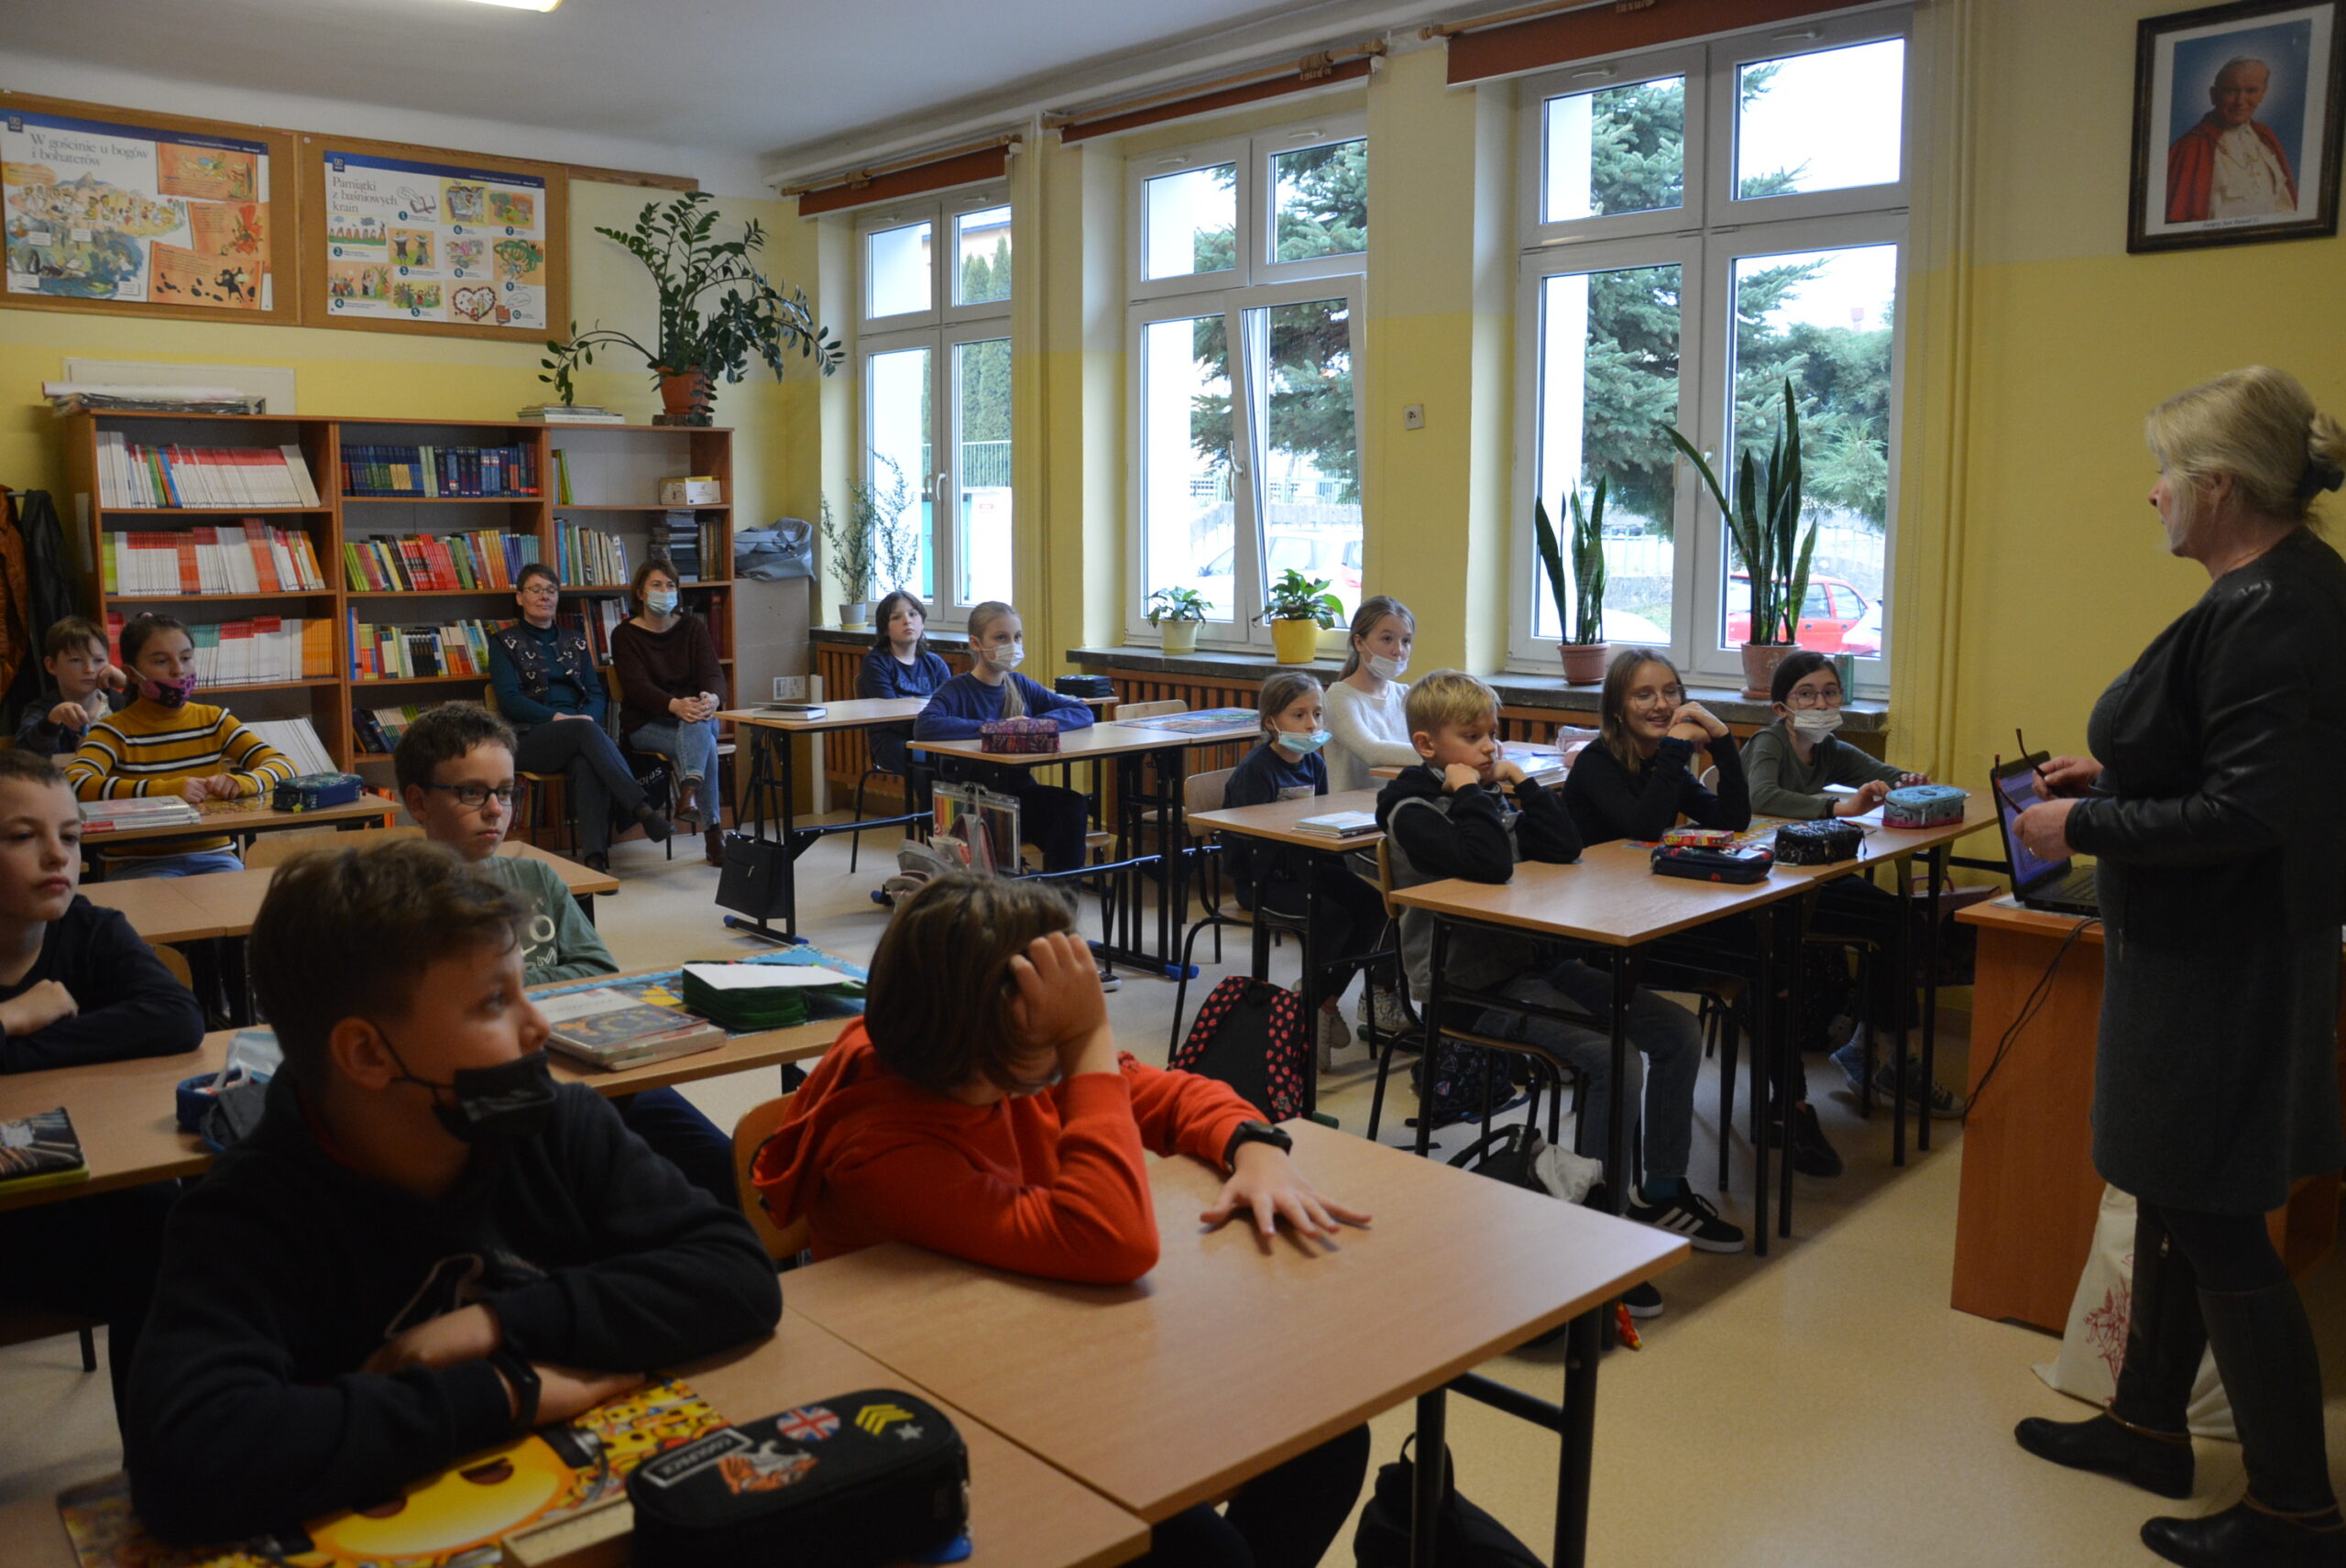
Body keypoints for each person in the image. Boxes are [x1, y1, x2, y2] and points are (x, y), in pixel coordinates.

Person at [124, 838, 781, 1546]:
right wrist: (502, 1391)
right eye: (495, 1000)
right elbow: (186, 1463)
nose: (539, 1025)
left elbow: (736, 1274)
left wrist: (495, 1325)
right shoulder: (247, 1212)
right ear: (367, 1053)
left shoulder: (556, 1124)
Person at [751, 872, 1371, 1568]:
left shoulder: (996, 1064)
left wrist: (1254, 1145)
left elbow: (1170, 1096)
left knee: (1329, 1441)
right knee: (1211, 1557)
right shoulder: (879, 1150)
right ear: (997, 1026)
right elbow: (1112, 1240)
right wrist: (1084, 1040)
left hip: (1055, 1362)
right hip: (961, 1425)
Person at [2010, 367, 2346, 1568]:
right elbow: (2244, 765)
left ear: (2218, 485)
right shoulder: (2290, 588)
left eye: (2165, 473)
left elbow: (2248, 812)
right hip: (2217, 949)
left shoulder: (2269, 606)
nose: (2151, 493)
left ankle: (2296, 1509)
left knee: (2213, 1217)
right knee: (2168, 1187)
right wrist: (2115, 777)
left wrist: (2082, 824)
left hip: (2219, 963)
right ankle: (2147, 1423)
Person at [1377, 670, 1736, 1313]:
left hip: (1532, 965)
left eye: (1492, 734)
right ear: (1427, 746)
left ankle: (1659, 1189)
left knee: (1676, 1031)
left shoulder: (1492, 795)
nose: (1489, 748)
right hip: (1467, 988)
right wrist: (1471, 793)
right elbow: (1488, 863)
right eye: (1472, 737)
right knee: (1614, 1057)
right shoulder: (1412, 812)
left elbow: (1566, 848)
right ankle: (1593, 1233)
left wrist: (1523, 783)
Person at [393, 702, 739, 1208]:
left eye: (505, 792)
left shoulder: (536, 877)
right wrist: (543, 984)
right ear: (419, 802)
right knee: (593, 1188)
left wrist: (496, 992)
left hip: (591, 1061)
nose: (496, 810)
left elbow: (599, 972)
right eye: (471, 793)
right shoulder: (397, 905)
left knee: (724, 1166)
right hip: (501, 1089)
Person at [0, 749, 204, 1423]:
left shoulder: (90, 929)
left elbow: (175, 1017)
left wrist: (13, 1049)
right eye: (22, 836)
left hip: (72, 1198)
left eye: (70, 835)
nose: (57, 856)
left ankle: (154, 1453)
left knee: (170, 1222)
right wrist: (11, 1016)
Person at [1742, 652, 1964, 1122]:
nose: (1821, 703)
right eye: (1806, 694)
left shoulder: (1829, 747)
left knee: (1899, 919)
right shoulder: (1769, 743)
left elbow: (1887, 776)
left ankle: (1874, 1050)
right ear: (1781, 707)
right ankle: (1884, 1058)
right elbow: (1759, 795)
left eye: (1830, 692)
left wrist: (1908, 783)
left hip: (1808, 876)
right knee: (1891, 922)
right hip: (1765, 885)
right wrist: (1839, 808)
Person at [1221, 672, 1396, 1062]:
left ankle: (1320, 1002)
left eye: (1317, 714)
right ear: (1272, 721)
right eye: (1298, 715)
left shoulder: (1314, 763)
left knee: (1377, 907)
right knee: (1332, 917)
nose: (1312, 725)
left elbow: (1322, 819)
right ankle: (1312, 1008)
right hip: (1263, 880)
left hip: (1309, 867)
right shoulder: (1257, 770)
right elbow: (1246, 844)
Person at [64, 613, 295, 879]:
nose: (178, 671)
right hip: (137, 864)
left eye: (186, 658)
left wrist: (245, 782)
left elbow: (284, 765)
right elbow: (74, 783)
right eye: (161, 662)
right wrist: (163, 793)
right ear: (131, 674)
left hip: (215, 857)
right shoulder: (114, 730)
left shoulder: (214, 720)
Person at [487, 563, 671, 874]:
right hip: (527, 737)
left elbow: (596, 693)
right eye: (535, 590)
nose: (544, 597)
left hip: (579, 735)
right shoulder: (504, 642)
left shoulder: (575, 640)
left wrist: (587, 718)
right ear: (519, 597)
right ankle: (642, 809)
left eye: (551, 590)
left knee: (586, 762)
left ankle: (594, 860)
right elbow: (510, 701)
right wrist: (558, 717)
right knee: (584, 733)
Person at [911, 599, 1097, 873]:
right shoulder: (957, 689)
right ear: (976, 644)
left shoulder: (1019, 684)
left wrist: (1034, 725)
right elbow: (926, 726)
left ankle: (1059, 894)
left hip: (1018, 795)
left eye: (1017, 637)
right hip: (976, 802)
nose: (1012, 644)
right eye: (1001, 638)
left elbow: (1082, 712)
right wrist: (995, 728)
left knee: (1072, 806)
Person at [609, 556, 725, 864]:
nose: (665, 591)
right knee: (705, 741)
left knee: (698, 720)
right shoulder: (624, 634)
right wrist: (675, 705)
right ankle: (713, 832)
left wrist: (713, 698)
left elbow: (713, 673)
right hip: (647, 723)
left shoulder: (692, 627)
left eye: (670, 585)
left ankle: (690, 788)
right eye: (657, 585)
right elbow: (636, 687)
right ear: (641, 592)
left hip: (694, 717)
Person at [2166, 57, 2298, 224]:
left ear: (2263, 94)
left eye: (2251, 91)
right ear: (2214, 95)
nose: (2240, 102)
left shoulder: (2265, 136)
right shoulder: (2191, 147)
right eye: (2231, 91)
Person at [856, 588, 953, 815]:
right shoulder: (876, 663)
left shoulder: (935, 663)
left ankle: (960, 825)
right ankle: (932, 826)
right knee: (926, 761)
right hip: (891, 739)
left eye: (913, 614)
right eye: (896, 617)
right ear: (885, 628)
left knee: (966, 760)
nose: (907, 621)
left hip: (932, 735)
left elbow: (950, 707)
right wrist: (930, 728)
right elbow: (891, 716)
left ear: (922, 622)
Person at [1323, 595, 1418, 795]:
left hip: (1401, 803)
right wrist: (1445, 756)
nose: (1398, 650)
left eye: (1406, 641)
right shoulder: (1339, 697)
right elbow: (1371, 750)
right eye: (1387, 639)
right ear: (1359, 643)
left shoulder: (1406, 694)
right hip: (1352, 809)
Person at [15, 616, 125, 758]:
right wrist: (52, 722)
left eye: (98, 660)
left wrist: (129, 684)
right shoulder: (42, 710)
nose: (89, 669)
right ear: (51, 665)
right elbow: (25, 756)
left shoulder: (118, 703)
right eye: (76, 660)